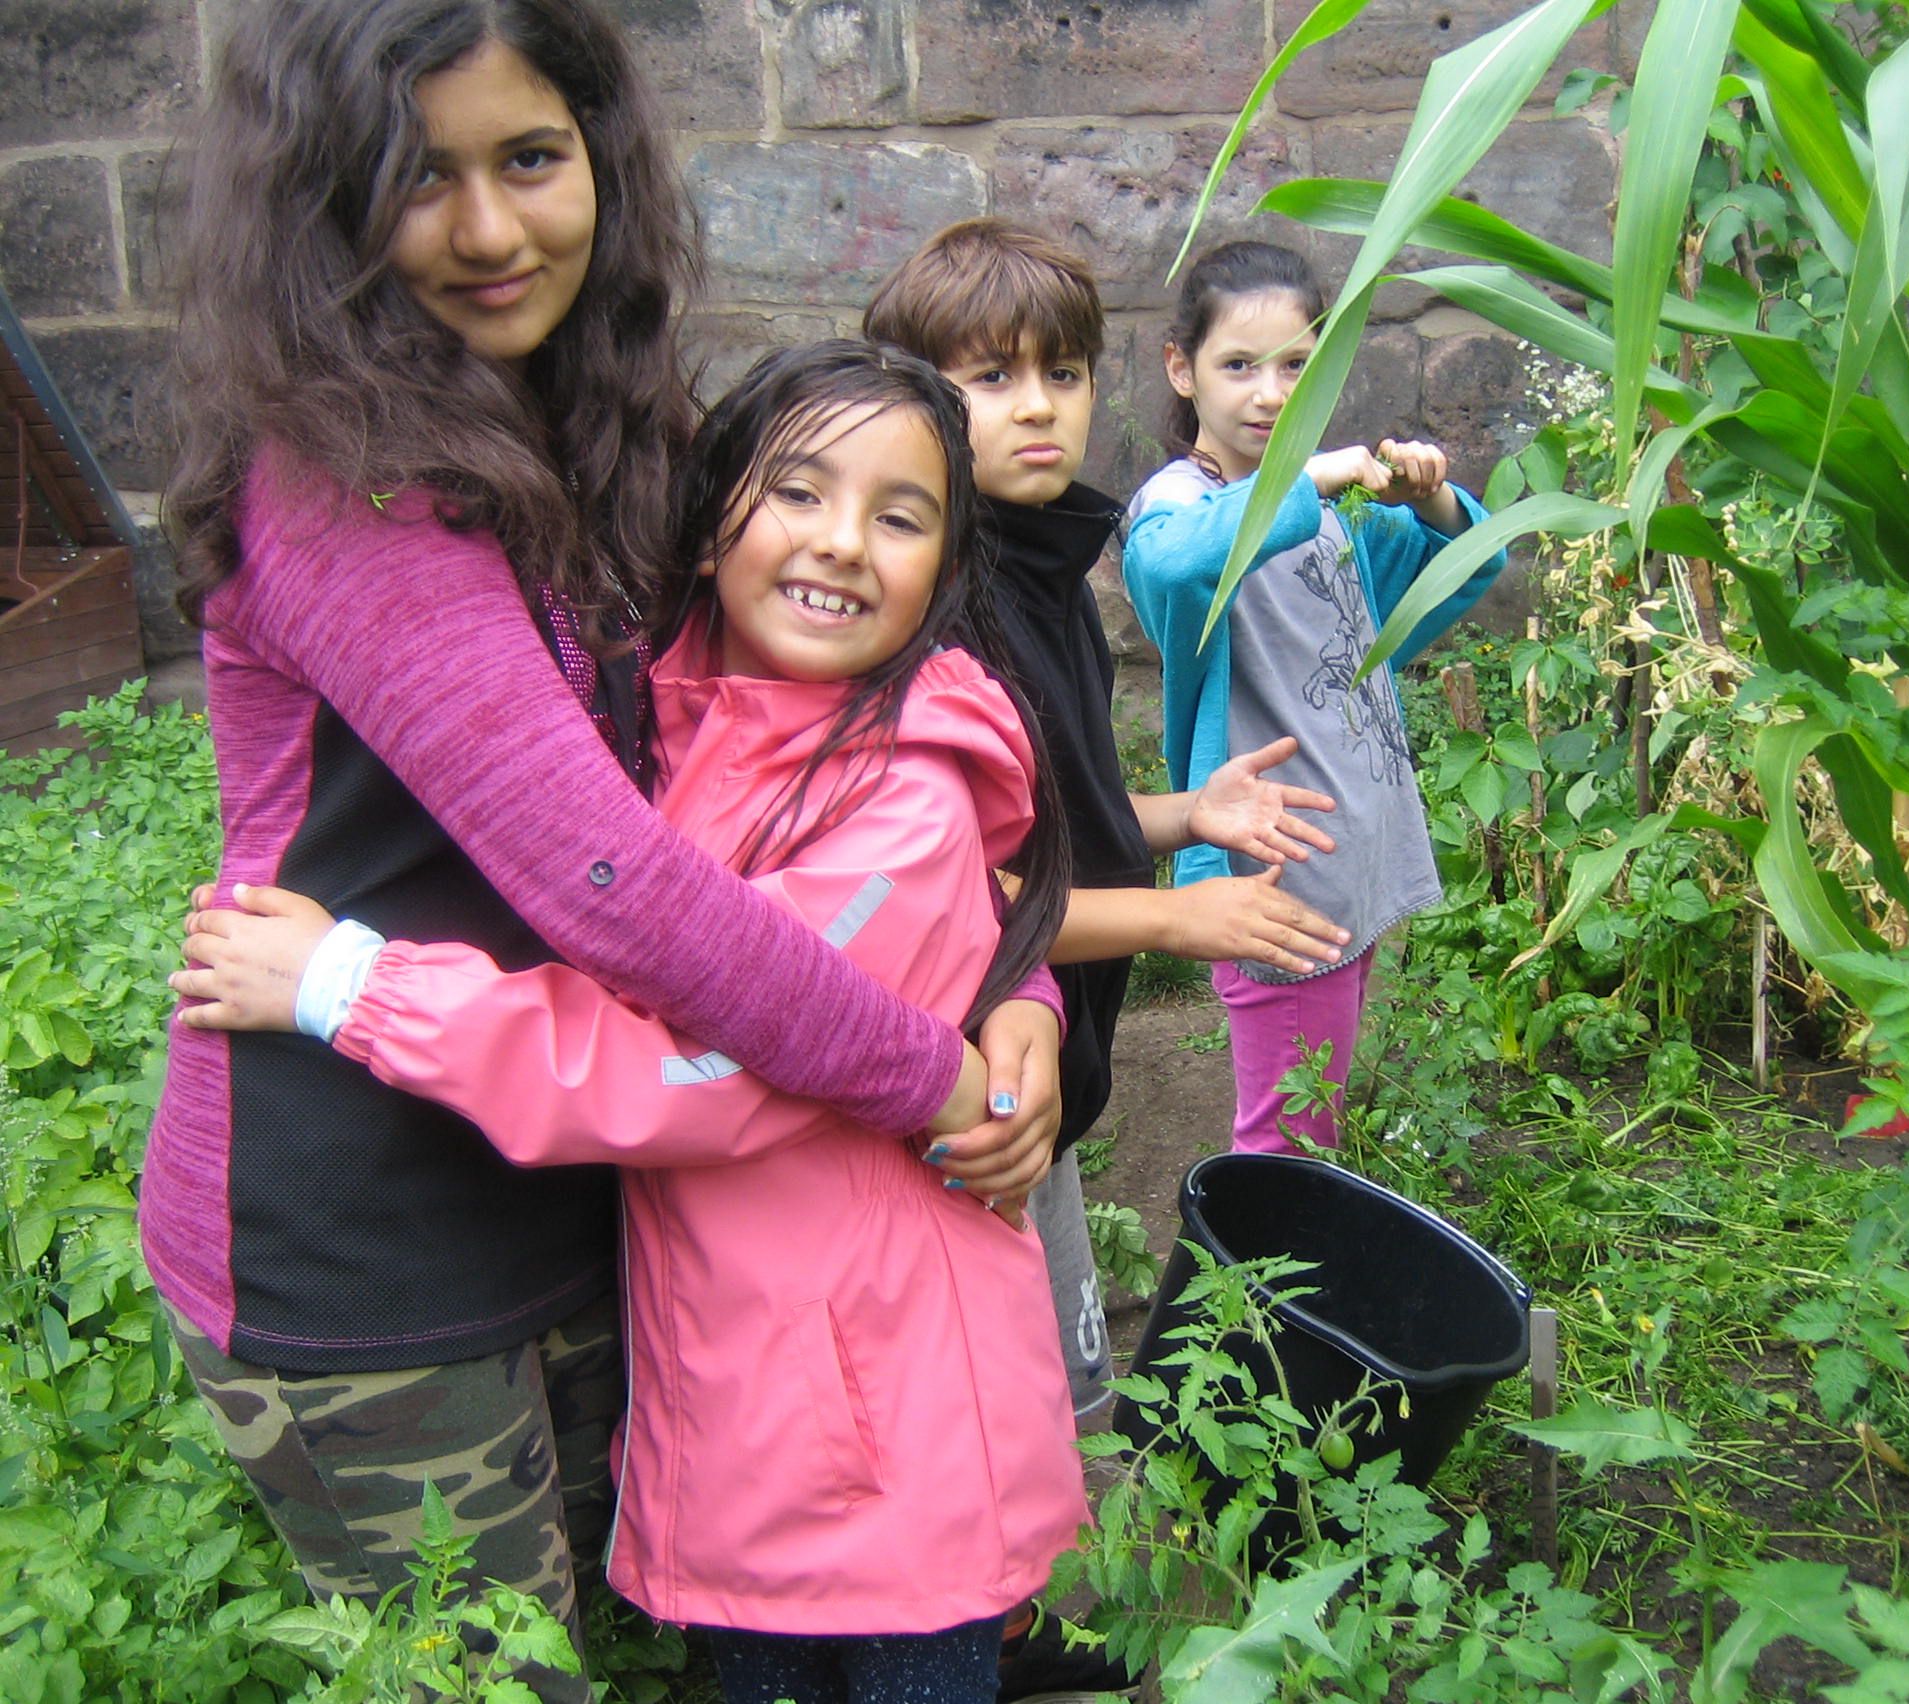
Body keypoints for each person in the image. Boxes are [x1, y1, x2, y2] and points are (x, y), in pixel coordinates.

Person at [152, 6, 1060, 1692]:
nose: (490, 231)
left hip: (608, 1184)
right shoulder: (346, 485)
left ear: (600, 160)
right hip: (374, 1243)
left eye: (529, 158)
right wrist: (935, 1075)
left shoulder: (600, 419)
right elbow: (617, 888)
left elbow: (845, 765)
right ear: (320, 203)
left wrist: (1017, 994)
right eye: (416, 177)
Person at [863, 220, 1350, 1699]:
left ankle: (1011, 1625)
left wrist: (1180, 812)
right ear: (911, 396)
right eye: (987, 376)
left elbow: (1059, 824)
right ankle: (971, 1634)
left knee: (1041, 1377)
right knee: (1002, 1380)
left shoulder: (1040, 566)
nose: (1035, 407)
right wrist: (1180, 913)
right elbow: (964, 895)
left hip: (1046, 1058)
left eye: (1060, 373)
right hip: (966, 1069)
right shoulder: (945, 607)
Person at [1121, 240, 1508, 1156]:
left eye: (1297, 364)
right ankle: (1263, 1292)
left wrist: (1435, 503)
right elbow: (1172, 564)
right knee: (1287, 1139)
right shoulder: (1180, 504)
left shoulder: (1326, 510)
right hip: (1276, 873)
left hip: (1350, 852)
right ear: (1183, 370)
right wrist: (1312, 477)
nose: (1269, 392)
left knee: (1317, 1114)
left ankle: (1299, 1266)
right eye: (1239, 365)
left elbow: (1455, 573)